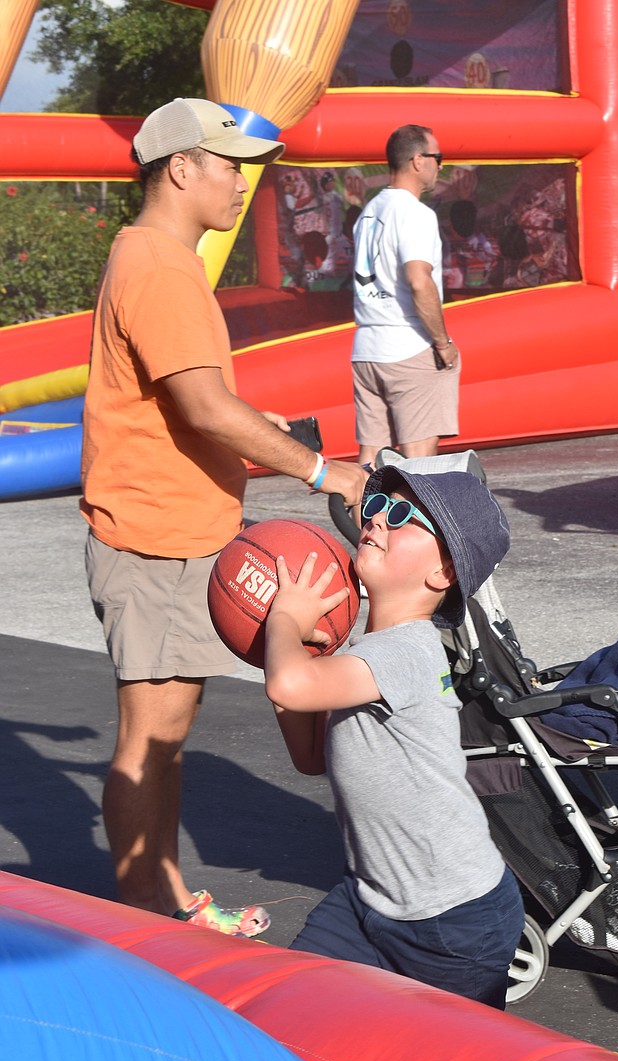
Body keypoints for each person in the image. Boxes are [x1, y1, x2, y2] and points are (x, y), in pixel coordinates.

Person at [81, 98, 367, 936]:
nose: (242, 183)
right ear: (180, 168)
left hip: (169, 526)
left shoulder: (153, 256)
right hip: (153, 534)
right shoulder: (163, 268)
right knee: (152, 737)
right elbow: (203, 407)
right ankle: (149, 924)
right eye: (229, 164)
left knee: (165, 735)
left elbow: (186, 401)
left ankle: (163, 904)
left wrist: (261, 425)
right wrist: (321, 469)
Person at [264, 466, 525, 1008]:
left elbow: (290, 682)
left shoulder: (405, 651)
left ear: (442, 573)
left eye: (404, 516)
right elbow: (311, 756)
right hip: (370, 900)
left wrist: (284, 622)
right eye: (379, 505)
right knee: (288, 1012)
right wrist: (301, 662)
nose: (378, 517)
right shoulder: (366, 654)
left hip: (452, 924)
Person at [351, 124, 460, 467]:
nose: (440, 166)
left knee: (370, 462)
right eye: (437, 158)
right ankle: (410, 523)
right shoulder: (415, 213)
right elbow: (418, 280)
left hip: (367, 346)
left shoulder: (368, 212)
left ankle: (364, 524)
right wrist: (442, 343)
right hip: (408, 346)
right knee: (418, 464)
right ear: (417, 160)